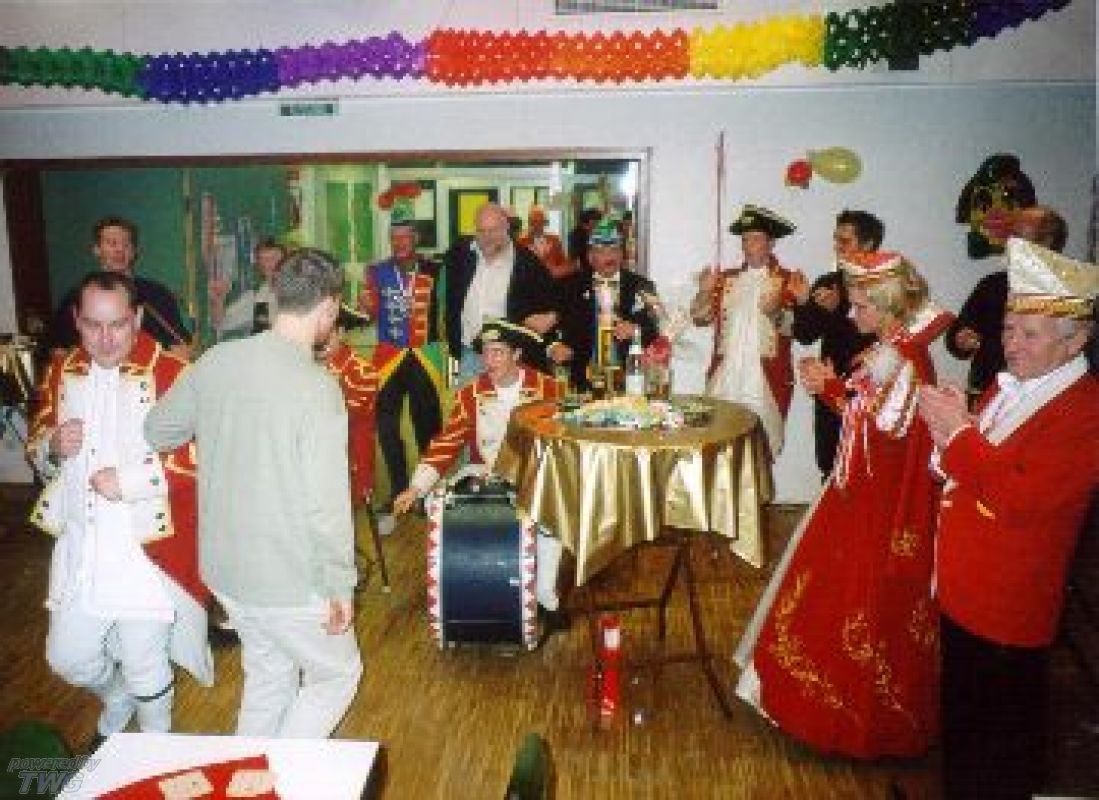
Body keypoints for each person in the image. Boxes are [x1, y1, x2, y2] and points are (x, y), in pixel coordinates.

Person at [145, 248, 362, 738]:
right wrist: (340, 586)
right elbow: (326, 505)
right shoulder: (317, 387)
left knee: (269, 675)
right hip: (288, 579)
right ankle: (282, 775)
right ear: (330, 307)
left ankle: (251, 773)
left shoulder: (217, 360)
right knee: (336, 676)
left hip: (226, 572)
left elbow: (157, 431)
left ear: (276, 296)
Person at [735, 251, 941, 758]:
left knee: (856, 600)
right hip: (857, 489)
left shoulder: (908, 359)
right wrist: (830, 389)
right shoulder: (891, 349)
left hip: (877, 504)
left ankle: (851, 721)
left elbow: (887, 431)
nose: (852, 313)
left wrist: (828, 388)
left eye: (862, 305)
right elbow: (867, 413)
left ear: (887, 306)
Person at [918, 238, 1099, 799]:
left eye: (1030, 334)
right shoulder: (1007, 382)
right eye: (1008, 329)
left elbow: (1022, 499)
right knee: (964, 733)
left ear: (1075, 341)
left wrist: (958, 433)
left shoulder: (1085, 412)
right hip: (964, 593)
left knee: (1001, 752)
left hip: (1007, 610)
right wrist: (949, 433)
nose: (1011, 343)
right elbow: (974, 466)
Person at [27, 270, 211, 744]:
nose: (105, 339)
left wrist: (129, 481)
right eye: (93, 325)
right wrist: (51, 447)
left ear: (138, 318)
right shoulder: (61, 371)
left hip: (146, 548)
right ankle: (117, 696)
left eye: (118, 324)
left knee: (145, 662)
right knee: (67, 658)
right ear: (77, 320)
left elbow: (206, 457)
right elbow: (37, 441)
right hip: (83, 547)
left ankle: (154, 746)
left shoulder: (174, 374)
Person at [391, 320, 566, 625]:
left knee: (551, 514)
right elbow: (446, 443)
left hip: (535, 474)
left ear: (516, 354)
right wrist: (415, 487)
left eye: (498, 352)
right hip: (485, 471)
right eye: (486, 353)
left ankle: (545, 599)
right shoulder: (471, 394)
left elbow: (562, 440)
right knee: (439, 505)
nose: (489, 361)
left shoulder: (547, 388)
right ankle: (477, 588)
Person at [691, 204, 805, 456]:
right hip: (726, 374)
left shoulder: (789, 280)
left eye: (755, 238)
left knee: (761, 448)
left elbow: (799, 329)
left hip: (766, 378)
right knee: (718, 443)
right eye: (744, 239)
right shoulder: (726, 279)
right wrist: (704, 292)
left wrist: (775, 312)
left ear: (771, 243)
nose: (748, 245)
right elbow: (699, 319)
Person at [360, 209, 446, 512]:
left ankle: (425, 493)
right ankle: (398, 491)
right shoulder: (376, 271)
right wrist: (366, 306)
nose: (398, 242)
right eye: (393, 237)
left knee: (427, 426)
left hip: (425, 356)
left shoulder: (436, 269)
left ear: (416, 238)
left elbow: (449, 307)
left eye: (404, 236)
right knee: (386, 426)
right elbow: (369, 314)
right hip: (389, 357)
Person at [789, 210, 881, 478]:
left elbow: (884, 334)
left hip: (869, 386)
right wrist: (804, 301)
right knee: (829, 461)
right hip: (828, 382)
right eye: (835, 239)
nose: (837, 247)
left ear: (868, 244)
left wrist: (837, 310)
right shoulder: (829, 282)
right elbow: (805, 334)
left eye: (845, 241)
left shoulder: (884, 284)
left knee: (864, 464)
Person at [945, 205, 1067, 405]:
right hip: (984, 393)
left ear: (1046, 244)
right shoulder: (992, 284)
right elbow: (957, 333)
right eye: (1010, 235)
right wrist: (960, 339)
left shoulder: (1066, 296)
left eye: (1017, 236)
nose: (1008, 242)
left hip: (1037, 401)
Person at [444, 202, 561, 386]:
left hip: (511, 360)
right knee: (467, 403)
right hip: (468, 356)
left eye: (493, 230)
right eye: (481, 231)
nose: (487, 237)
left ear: (507, 227)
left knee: (510, 404)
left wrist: (553, 317)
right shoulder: (460, 254)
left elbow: (557, 300)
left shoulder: (527, 262)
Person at [48, 216, 192, 358]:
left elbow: (181, 347)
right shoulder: (79, 297)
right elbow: (58, 352)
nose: (120, 250)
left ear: (134, 251)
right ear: (97, 250)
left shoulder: (157, 294)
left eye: (126, 244)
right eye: (112, 243)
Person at [554, 219, 661, 391]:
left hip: (629, 380)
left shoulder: (642, 286)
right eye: (602, 251)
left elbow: (656, 332)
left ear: (622, 254)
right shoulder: (569, 287)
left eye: (615, 249)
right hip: (581, 380)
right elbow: (551, 328)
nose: (610, 256)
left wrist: (635, 330)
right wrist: (553, 347)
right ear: (590, 257)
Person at [321, 304, 381, 586]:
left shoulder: (362, 370)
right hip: (315, 459)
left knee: (335, 521)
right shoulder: (306, 365)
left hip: (349, 462)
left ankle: (339, 575)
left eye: (329, 333)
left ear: (342, 333)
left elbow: (346, 417)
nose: (321, 340)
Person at [208, 238, 286, 339]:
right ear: (259, 266)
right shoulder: (256, 297)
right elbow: (221, 323)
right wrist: (219, 299)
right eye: (263, 259)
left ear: (286, 261)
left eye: (273, 258)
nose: (268, 264)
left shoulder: (299, 290)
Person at [517, 205, 571, 279]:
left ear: (545, 223)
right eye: (534, 222)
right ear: (529, 223)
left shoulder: (555, 240)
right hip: (531, 282)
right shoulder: (521, 242)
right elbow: (518, 267)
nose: (537, 225)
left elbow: (563, 262)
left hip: (552, 281)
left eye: (541, 221)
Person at [568, 207, 603, 272]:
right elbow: (575, 256)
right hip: (583, 269)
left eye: (598, 221)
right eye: (596, 221)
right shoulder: (576, 234)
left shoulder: (597, 232)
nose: (598, 224)